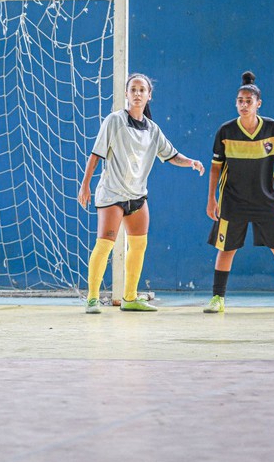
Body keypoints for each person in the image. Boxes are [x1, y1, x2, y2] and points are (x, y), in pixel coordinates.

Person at [78, 72, 204, 313]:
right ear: (126, 94)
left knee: (138, 245)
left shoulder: (153, 130)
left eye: (141, 90)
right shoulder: (114, 121)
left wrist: (190, 162)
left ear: (149, 95)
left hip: (137, 196)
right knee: (105, 245)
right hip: (112, 194)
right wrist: (85, 185)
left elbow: (171, 154)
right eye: (133, 89)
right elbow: (96, 155)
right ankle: (92, 298)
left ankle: (130, 297)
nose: (137, 94)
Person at [203, 71, 274, 314]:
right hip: (233, 200)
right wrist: (212, 198)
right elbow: (215, 169)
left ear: (258, 104)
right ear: (236, 103)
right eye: (240, 101)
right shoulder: (225, 132)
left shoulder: (273, 128)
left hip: (267, 199)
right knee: (226, 249)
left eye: (248, 101)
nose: (243, 105)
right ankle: (217, 299)